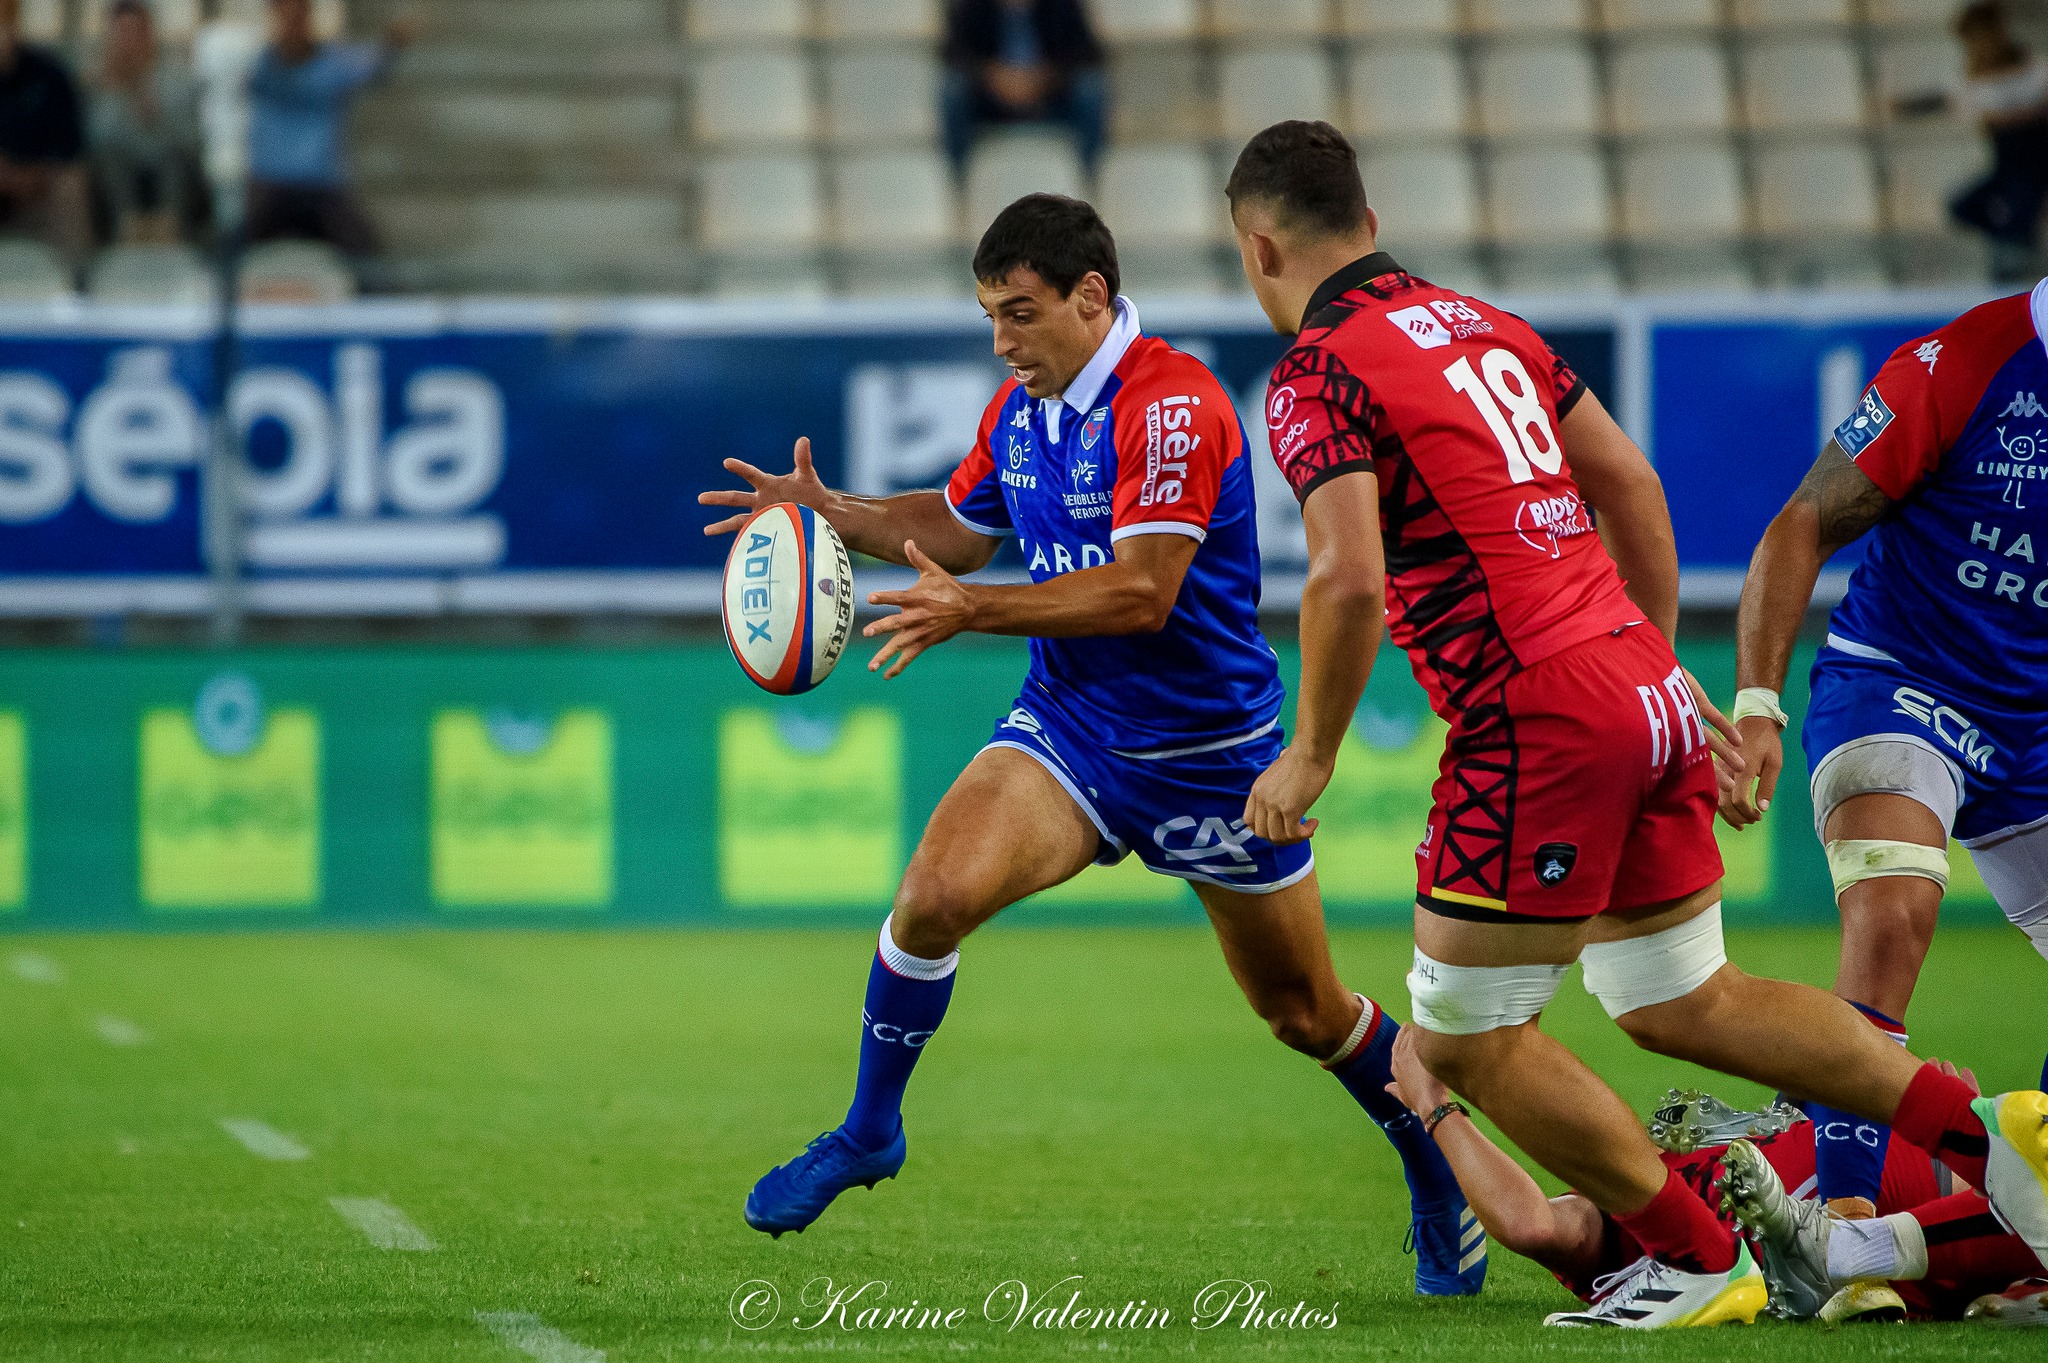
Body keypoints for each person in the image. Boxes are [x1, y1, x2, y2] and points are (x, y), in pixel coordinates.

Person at [1224, 117, 2048, 1327]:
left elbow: (1343, 577)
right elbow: (1627, 481)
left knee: (1457, 1039)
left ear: (1257, 249)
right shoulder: (1487, 328)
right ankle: (1985, 1130)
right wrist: (1653, 667)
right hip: (1638, 676)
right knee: (1678, 995)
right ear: (1370, 224)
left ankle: (1697, 1254)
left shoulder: (1316, 371)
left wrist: (1308, 753)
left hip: (1535, 711)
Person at [699, 192, 1487, 1296]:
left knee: (1303, 1012)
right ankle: (870, 1129)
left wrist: (975, 614)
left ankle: (1428, 1159)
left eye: (1017, 314)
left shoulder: (1170, 404)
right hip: (1069, 734)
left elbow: (1141, 592)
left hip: (1209, 754)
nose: (1000, 341)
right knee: (929, 897)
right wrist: (830, 511)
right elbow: (958, 532)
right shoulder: (1025, 409)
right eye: (988, 316)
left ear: (1090, 296)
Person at [1722, 282, 2048, 1221]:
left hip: (2035, 724)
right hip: (1903, 683)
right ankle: (1846, 1224)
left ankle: (2014, 1226)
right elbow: (1801, 523)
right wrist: (1756, 708)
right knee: (1895, 907)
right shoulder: (1968, 363)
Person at [1385, 1030, 2046, 1326]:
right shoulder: (1626, 1234)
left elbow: (1827, 1076)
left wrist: (1941, 1113)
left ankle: (2026, 1286)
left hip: (1955, 1165)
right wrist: (1436, 1105)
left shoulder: (1678, 1146)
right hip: (1944, 1223)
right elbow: (1528, 1220)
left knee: (1853, 1050)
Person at [243, 0, 414, 259]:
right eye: (284, 13)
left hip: (322, 185)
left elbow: (374, 66)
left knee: (367, 259)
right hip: (269, 184)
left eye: (298, 12)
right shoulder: (257, 64)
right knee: (230, 257)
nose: (292, 21)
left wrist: (394, 42)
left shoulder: (334, 63)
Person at [1894, 3, 2048, 281]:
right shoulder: (1977, 83)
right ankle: (2009, 246)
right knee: (1963, 206)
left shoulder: (2032, 70)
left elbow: (2024, 100)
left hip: (2035, 169)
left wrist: (2009, 115)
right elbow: (1949, 98)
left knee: (2018, 218)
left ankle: (2016, 258)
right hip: (2008, 169)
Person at [941, 0, 1106, 183]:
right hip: (989, 105)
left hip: (1050, 101)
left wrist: (1045, 77)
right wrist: (991, 75)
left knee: (1090, 88)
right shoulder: (972, 7)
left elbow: (1086, 53)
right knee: (953, 90)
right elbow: (955, 54)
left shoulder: (1063, 6)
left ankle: (1088, 177)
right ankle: (957, 180)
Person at [87, 0, 201, 245]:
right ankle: (124, 239)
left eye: (134, 33)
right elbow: (96, 144)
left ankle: (171, 240)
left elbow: (193, 145)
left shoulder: (177, 79)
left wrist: (155, 114)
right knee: (112, 162)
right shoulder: (101, 84)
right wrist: (117, 96)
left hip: (171, 177)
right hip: (120, 182)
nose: (128, 43)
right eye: (120, 34)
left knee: (174, 165)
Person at [0, 0, 89, 265]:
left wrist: (32, 173)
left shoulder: (48, 73)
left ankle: (75, 287)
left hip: (38, 183)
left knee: (71, 185)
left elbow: (69, 141)